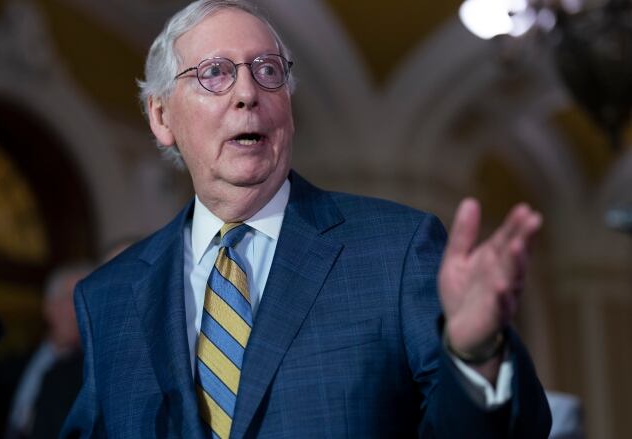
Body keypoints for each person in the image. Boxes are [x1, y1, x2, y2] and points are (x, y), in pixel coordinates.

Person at [62, 1, 552, 437]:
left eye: (268, 71)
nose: (248, 93)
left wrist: (475, 356)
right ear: (161, 117)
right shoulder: (109, 296)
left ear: (287, 108)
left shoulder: (395, 251)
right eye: (215, 73)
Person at [0, 263, 92, 439]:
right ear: (48, 306)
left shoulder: (91, 374)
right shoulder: (8, 367)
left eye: (87, 300)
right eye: (71, 298)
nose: (79, 309)